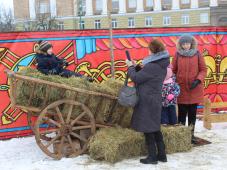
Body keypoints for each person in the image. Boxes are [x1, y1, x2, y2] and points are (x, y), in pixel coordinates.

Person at [126, 39, 169, 164]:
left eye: (149, 48)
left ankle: (152, 157)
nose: (147, 50)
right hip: (153, 98)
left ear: (153, 50)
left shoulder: (152, 65)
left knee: (148, 128)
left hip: (147, 100)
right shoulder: (159, 64)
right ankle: (162, 155)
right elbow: (145, 75)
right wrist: (135, 66)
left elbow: (136, 78)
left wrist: (130, 67)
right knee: (155, 128)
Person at [172, 35, 207, 143]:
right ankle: (181, 136)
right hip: (181, 89)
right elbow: (173, 69)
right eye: (183, 44)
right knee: (181, 115)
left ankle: (191, 136)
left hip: (194, 89)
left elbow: (203, 70)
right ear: (180, 45)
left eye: (187, 43)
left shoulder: (197, 54)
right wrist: (173, 81)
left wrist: (198, 80)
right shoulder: (177, 54)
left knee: (192, 114)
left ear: (191, 44)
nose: (186, 46)